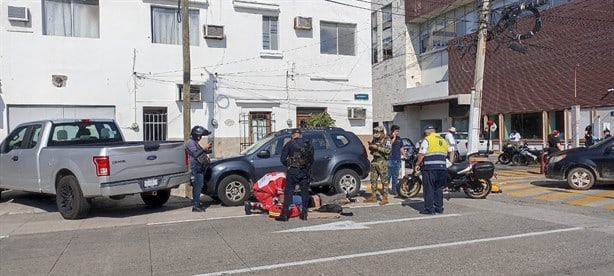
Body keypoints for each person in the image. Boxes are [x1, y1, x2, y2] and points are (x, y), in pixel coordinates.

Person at [276, 128, 314, 221]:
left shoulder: (289, 144)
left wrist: (289, 165)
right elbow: (311, 159)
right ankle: (304, 213)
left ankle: (285, 214)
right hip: (305, 171)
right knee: (304, 192)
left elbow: (283, 159)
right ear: (301, 135)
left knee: (289, 191)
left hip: (293, 170)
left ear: (293, 135)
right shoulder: (308, 144)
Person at [414, 125, 448, 215]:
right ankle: (439, 208)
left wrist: (417, 164)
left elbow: (422, 154)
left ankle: (429, 209)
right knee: (438, 189)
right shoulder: (443, 140)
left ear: (427, 132)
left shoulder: (427, 139)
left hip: (430, 168)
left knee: (429, 188)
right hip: (442, 168)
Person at [185, 125, 212, 212]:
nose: (200, 137)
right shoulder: (190, 143)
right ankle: (195, 205)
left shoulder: (195, 142)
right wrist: (204, 148)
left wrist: (207, 149)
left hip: (200, 165)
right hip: (196, 166)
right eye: (200, 136)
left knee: (198, 185)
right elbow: (196, 154)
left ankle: (196, 202)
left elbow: (200, 152)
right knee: (198, 185)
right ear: (196, 135)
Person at [364, 126, 392, 205]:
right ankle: (373, 196)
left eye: (378, 134)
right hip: (374, 161)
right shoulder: (375, 139)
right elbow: (372, 148)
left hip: (382, 161)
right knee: (373, 180)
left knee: (384, 181)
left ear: (382, 133)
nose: (377, 137)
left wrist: (377, 147)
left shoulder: (387, 140)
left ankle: (385, 198)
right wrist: (371, 147)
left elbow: (388, 151)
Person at [387, 125, 405, 196]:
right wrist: (393, 138)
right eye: (396, 131)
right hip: (390, 159)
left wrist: (404, 155)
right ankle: (385, 190)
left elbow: (401, 147)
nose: (398, 133)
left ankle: (394, 190)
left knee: (395, 176)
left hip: (397, 159)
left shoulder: (399, 139)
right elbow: (389, 146)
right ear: (392, 131)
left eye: (398, 131)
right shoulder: (388, 138)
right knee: (388, 176)